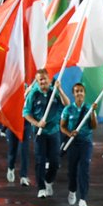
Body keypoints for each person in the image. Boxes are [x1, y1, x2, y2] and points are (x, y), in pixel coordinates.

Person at [24, 69, 68, 198]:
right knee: (40, 160)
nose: (43, 81)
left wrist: (59, 89)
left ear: (49, 79)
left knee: (55, 161)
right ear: (37, 81)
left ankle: (49, 181)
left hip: (54, 131)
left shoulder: (54, 92)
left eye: (45, 78)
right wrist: (37, 124)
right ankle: (41, 188)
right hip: (39, 132)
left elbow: (67, 104)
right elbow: (26, 113)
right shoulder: (33, 94)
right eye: (40, 79)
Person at [60, 83, 98, 206]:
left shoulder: (89, 108)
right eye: (77, 91)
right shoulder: (68, 109)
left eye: (81, 91)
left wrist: (92, 113)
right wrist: (69, 134)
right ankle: (72, 190)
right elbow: (62, 127)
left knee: (84, 169)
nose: (79, 93)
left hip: (86, 143)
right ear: (73, 93)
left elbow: (94, 126)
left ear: (84, 93)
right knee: (72, 170)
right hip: (73, 143)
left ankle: (83, 198)